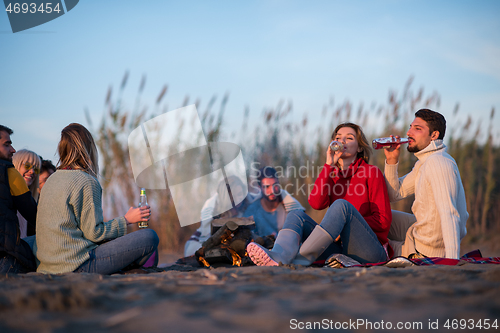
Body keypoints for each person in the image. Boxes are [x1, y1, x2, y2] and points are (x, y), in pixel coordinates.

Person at [247, 122, 392, 266]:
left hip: (370, 251)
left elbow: (383, 221)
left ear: (360, 147)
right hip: (341, 250)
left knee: (342, 206)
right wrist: (329, 165)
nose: (342, 141)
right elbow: (316, 203)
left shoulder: (372, 172)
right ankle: (278, 257)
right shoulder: (332, 174)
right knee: (296, 214)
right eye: (338, 137)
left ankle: (299, 260)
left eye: (349, 138)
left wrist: (346, 225)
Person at [34, 123, 159, 274]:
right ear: (88, 149)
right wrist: (126, 219)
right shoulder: (86, 181)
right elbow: (95, 234)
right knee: (149, 237)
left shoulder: (51, 180)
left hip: (48, 266)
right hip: (78, 264)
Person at [383, 109, 468, 259]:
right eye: (410, 127)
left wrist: (451, 261)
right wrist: (391, 160)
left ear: (434, 135)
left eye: (417, 129)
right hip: (420, 233)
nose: (409, 133)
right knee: (374, 215)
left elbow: (449, 214)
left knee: (374, 245)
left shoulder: (438, 162)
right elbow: (394, 194)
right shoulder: (425, 162)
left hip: (424, 251)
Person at [184, 168, 304, 257]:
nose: (239, 198)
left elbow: (271, 193)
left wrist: (294, 206)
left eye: (241, 194)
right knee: (199, 253)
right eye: (235, 196)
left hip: (231, 242)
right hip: (201, 240)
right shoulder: (211, 207)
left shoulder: (248, 201)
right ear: (227, 197)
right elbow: (206, 236)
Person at [0, 125, 38, 274]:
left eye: (36, 168)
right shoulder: (9, 172)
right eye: (7, 144)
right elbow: (34, 215)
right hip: (6, 253)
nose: (13, 150)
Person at [12, 149, 42, 238]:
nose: (32, 171)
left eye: (36, 169)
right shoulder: (7, 196)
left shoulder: (30, 200)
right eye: (27, 165)